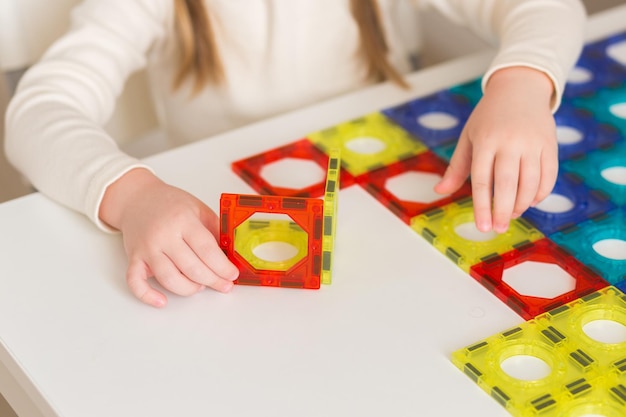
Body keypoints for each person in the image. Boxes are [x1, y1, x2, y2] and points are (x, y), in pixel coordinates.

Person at [4, 0, 586, 307]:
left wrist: (521, 85)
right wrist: (131, 197)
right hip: (222, 223)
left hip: (377, 209)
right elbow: (37, 112)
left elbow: (548, 7)